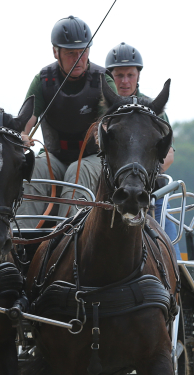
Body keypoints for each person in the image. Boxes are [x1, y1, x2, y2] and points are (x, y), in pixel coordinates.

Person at [19, 16, 118, 227]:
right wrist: (23, 135)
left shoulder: (103, 80)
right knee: (33, 168)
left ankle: (67, 238)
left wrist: (103, 131)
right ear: (56, 52)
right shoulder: (43, 81)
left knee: (77, 171)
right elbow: (27, 119)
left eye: (83, 52)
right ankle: (21, 240)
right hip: (54, 156)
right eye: (70, 53)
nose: (78, 59)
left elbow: (110, 120)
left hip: (93, 158)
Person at [105, 42, 180, 255]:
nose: (125, 81)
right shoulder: (104, 109)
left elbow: (169, 156)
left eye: (130, 74)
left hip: (146, 187)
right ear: (111, 77)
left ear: (138, 75)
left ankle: (177, 273)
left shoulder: (152, 110)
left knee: (168, 237)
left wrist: (140, 178)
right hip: (108, 186)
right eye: (119, 75)